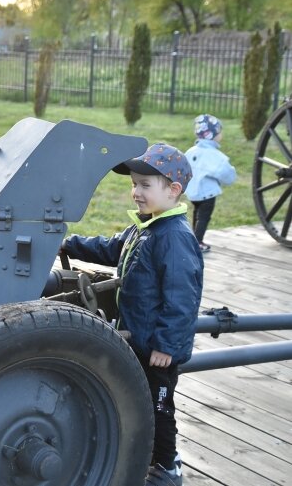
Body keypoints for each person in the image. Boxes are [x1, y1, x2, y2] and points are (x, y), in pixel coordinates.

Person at [60, 143, 203, 486]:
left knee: (158, 409)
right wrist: (69, 243)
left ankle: (168, 467)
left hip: (158, 349)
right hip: (135, 339)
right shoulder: (145, 228)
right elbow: (111, 249)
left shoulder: (175, 238)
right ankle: (139, 452)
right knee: (137, 402)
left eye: (145, 185)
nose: (136, 193)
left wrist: (167, 346)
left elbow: (182, 300)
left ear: (173, 190)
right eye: (134, 184)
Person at [185, 114, 237, 253]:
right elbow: (228, 175)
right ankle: (198, 242)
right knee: (204, 217)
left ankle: (194, 239)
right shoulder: (215, 156)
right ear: (212, 135)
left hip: (193, 193)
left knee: (196, 214)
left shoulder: (190, 151)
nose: (221, 135)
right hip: (208, 194)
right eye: (219, 132)